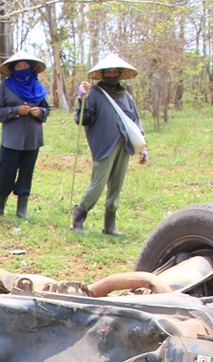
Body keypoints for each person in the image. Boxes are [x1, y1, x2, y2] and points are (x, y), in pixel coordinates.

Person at [72, 53, 149, 236]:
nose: (112, 74)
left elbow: (135, 120)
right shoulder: (95, 94)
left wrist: (142, 147)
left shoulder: (126, 96)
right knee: (98, 184)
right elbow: (83, 119)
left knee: (116, 184)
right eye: (109, 72)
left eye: (115, 72)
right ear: (102, 74)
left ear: (120, 74)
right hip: (104, 145)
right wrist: (82, 99)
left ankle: (109, 226)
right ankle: (78, 220)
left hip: (125, 144)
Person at [0, 51, 51, 218]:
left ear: (31, 68)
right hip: (11, 139)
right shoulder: (4, 88)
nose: (22, 69)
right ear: (12, 69)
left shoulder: (39, 88)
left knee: (26, 172)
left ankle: (22, 208)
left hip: (33, 138)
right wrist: (15, 111)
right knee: (5, 172)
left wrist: (40, 112)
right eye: (19, 67)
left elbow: (47, 109)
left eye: (25, 66)